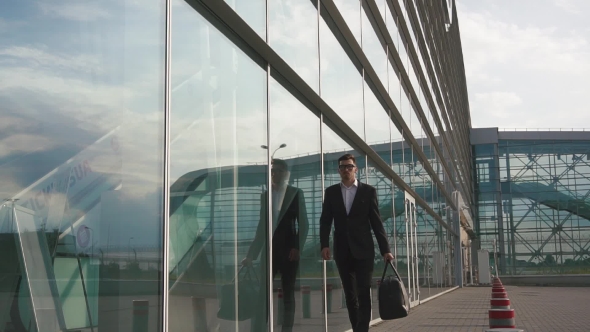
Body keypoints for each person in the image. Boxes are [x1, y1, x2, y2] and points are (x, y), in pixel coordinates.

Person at [320, 154, 394, 332]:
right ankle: (357, 328)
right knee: (350, 295)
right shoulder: (331, 192)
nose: (346, 169)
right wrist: (324, 245)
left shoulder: (368, 191)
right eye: (342, 167)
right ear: (339, 170)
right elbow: (325, 221)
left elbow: (376, 222)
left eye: (349, 166)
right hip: (342, 250)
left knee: (363, 292)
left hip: (364, 250)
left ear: (356, 169)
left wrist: (386, 249)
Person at [242, 159, 308, 332]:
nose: (274, 174)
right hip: (269, 252)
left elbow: (304, 223)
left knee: (288, 294)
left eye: (278, 170)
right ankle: (258, 328)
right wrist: (251, 255)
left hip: (289, 252)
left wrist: (297, 247)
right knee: (262, 295)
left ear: (285, 174)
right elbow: (261, 227)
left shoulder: (295, 193)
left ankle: (286, 329)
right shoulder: (265, 196)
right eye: (272, 171)